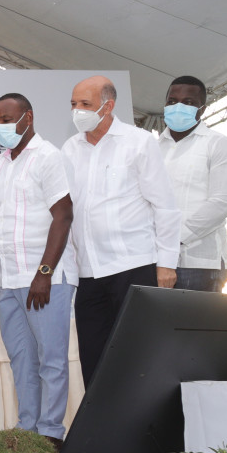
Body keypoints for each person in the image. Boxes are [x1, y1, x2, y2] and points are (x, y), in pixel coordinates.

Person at [63, 76, 180, 387]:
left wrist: (166, 263)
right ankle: (100, 420)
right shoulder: (70, 148)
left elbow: (165, 205)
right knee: (94, 361)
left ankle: (144, 420)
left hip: (134, 266)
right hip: (88, 273)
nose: (77, 111)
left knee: (140, 359)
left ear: (108, 106)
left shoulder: (138, 142)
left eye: (85, 104)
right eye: (73, 104)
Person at [0, 94, 77, 449]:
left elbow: (63, 215)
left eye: (7, 119)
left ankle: (51, 433)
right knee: (21, 359)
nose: (0, 127)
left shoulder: (49, 157)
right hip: (9, 278)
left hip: (46, 279)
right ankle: (27, 430)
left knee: (51, 360)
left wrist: (44, 272)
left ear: (28, 117)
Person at [158, 76, 227, 293]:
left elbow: (221, 203)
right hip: (155, 260)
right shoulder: (153, 148)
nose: (178, 107)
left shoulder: (218, 145)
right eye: (172, 101)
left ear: (202, 109)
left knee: (194, 318)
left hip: (200, 263)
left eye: (188, 102)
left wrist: (172, 240)